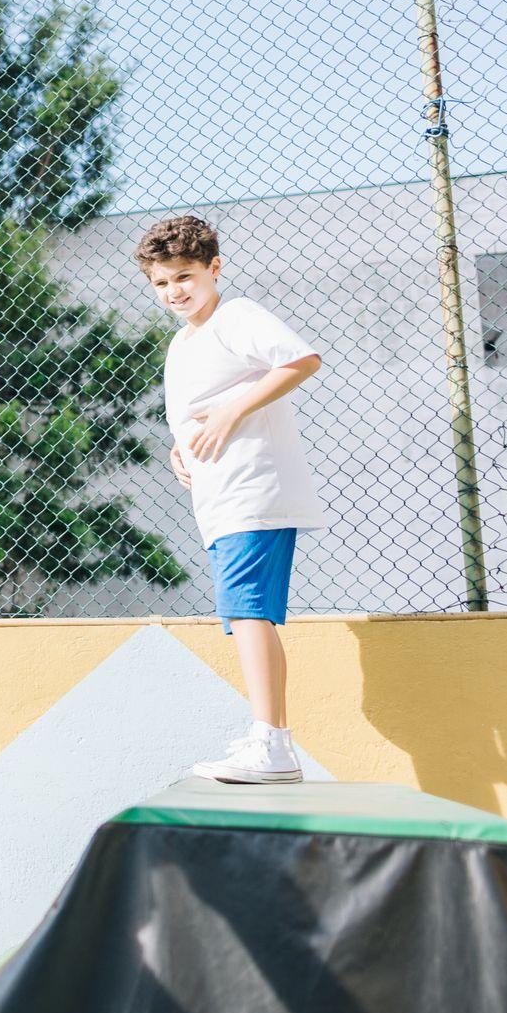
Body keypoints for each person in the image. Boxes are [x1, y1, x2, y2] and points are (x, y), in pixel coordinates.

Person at [139, 215, 326, 783]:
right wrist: (181, 447)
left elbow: (301, 360)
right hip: (218, 500)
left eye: (185, 277)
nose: (175, 291)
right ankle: (267, 739)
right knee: (241, 613)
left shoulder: (235, 316)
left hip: (254, 491)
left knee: (247, 611)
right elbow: (193, 412)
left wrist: (230, 411)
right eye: (162, 283)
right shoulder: (181, 342)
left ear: (214, 268)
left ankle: (273, 744)